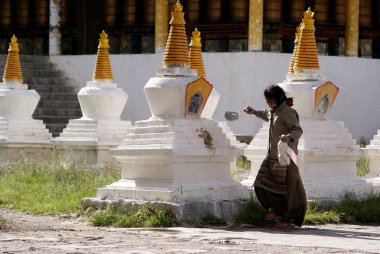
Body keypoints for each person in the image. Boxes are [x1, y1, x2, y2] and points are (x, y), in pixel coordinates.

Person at [244, 84, 307, 228]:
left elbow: (298, 130)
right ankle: (274, 210)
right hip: (272, 155)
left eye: (268, 100)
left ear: (276, 99)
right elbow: (266, 114)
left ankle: (288, 218)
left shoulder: (288, 112)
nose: (267, 103)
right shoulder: (275, 111)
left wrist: (289, 136)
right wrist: (254, 112)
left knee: (288, 189)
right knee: (261, 184)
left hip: (287, 156)